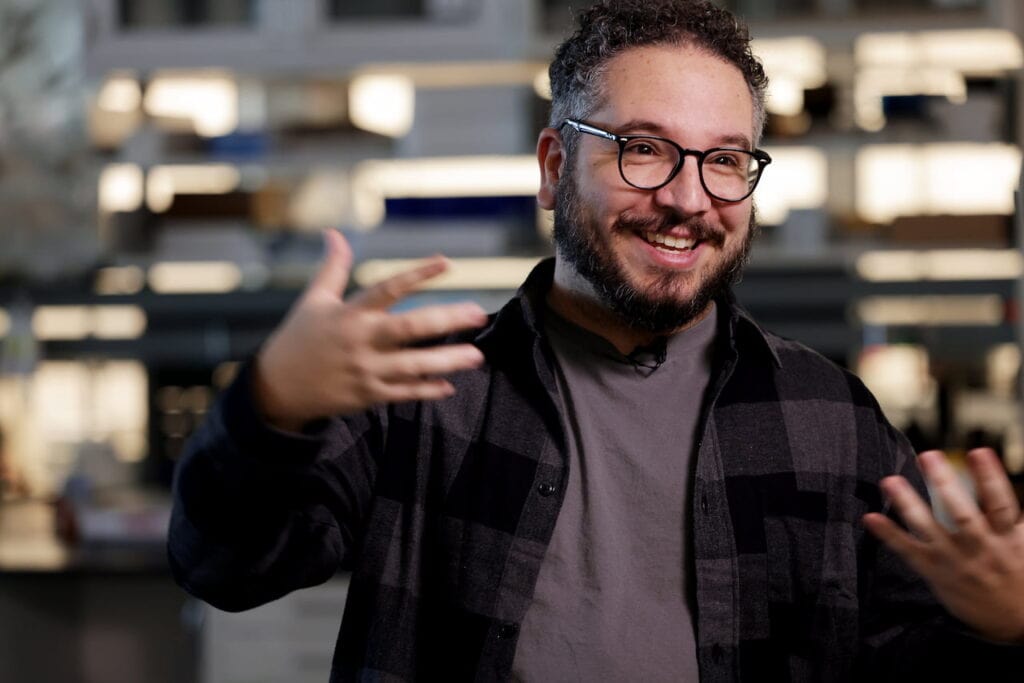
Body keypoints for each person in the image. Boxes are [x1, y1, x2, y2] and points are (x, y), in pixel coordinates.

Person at [168, 1, 1024, 680]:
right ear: (552, 167)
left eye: (726, 159)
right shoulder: (429, 391)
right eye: (644, 149)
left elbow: (910, 659)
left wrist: (1005, 623)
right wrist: (269, 405)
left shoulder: (830, 418)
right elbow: (224, 567)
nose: (690, 199)